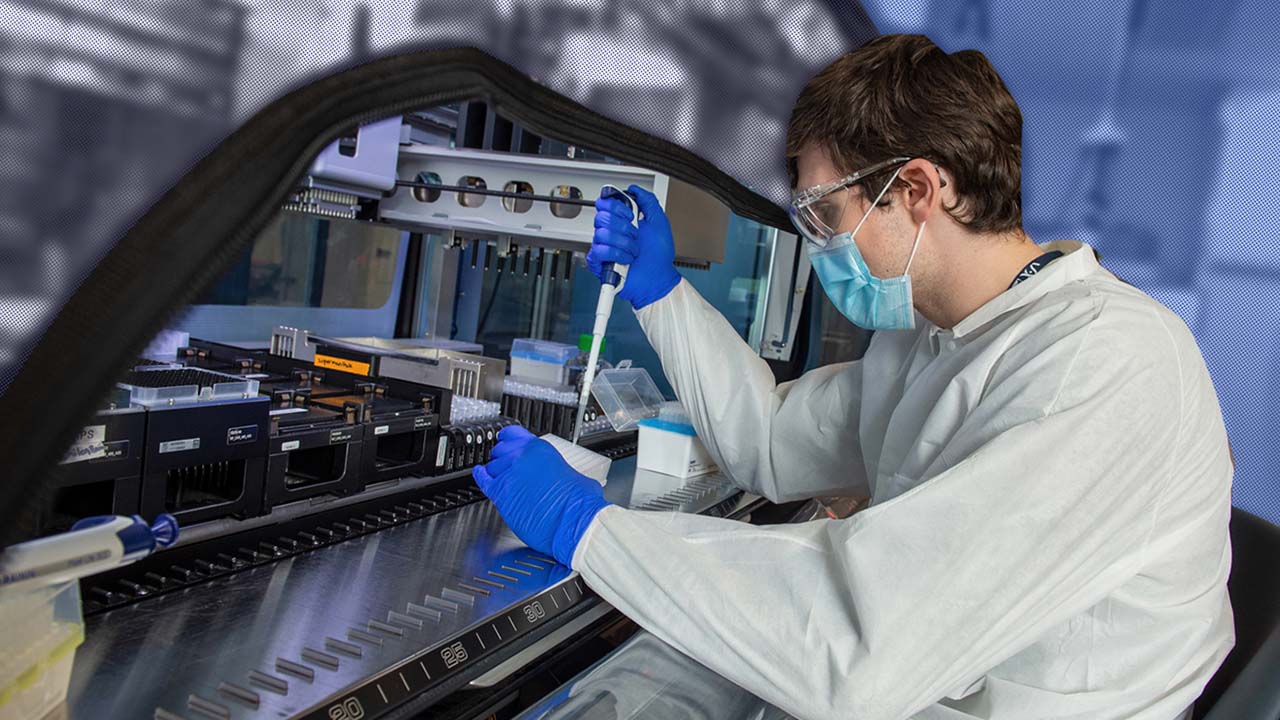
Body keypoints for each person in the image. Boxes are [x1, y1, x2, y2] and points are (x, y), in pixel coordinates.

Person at [475, 34, 1234, 719]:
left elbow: (855, 652)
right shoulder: (934, 338)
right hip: (917, 674)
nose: (817, 247)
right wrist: (663, 295)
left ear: (915, 190)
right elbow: (770, 443)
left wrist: (590, 529)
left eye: (823, 217)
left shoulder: (1103, 364)